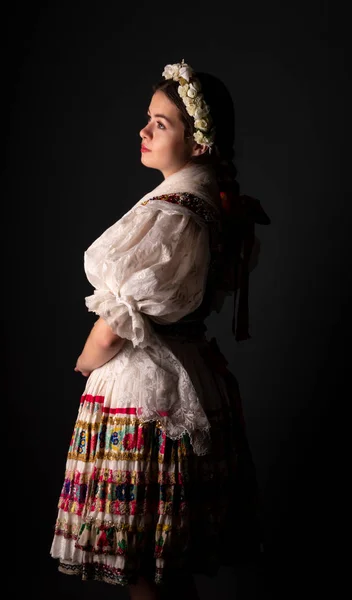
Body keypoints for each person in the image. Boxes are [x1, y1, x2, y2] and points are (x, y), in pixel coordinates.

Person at [50, 59, 270, 600]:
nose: (144, 132)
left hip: (153, 399)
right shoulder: (208, 207)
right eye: (148, 119)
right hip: (188, 378)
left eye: (161, 124)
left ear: (198, 143)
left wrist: (85, 360)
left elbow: (115, 324)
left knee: (147, 568)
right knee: (164, 569)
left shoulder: (174, 215)